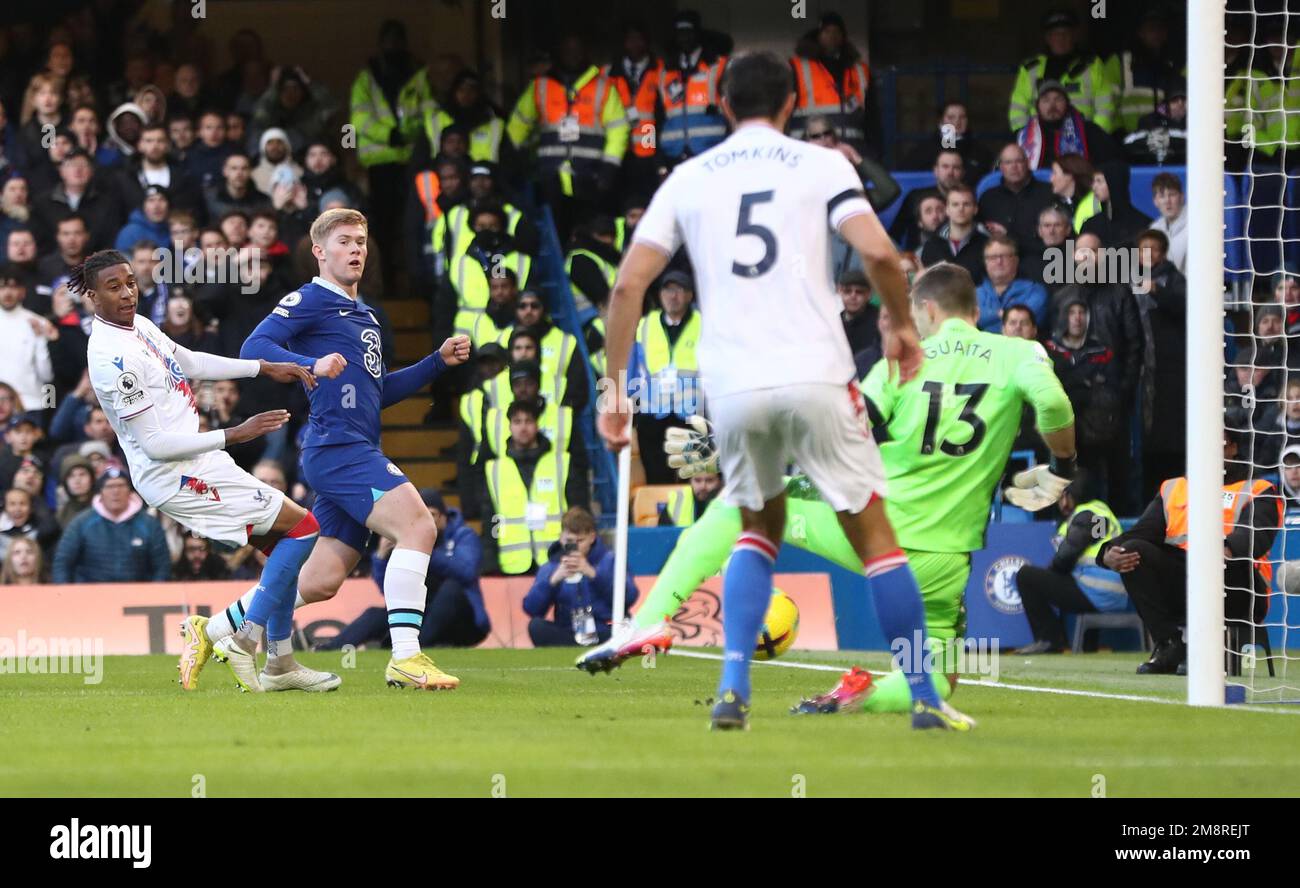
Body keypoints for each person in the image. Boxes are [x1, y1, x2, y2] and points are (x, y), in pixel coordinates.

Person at [596, 50, 975, 731]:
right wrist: (898, 327)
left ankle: (733, 689)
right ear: (793, 104)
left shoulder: (687, 176)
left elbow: (627, 286)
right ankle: (922, 695)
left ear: (720, 107)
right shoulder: (823, 163)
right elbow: (883, 255)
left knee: (756, 531)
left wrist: (614, 393)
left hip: (735, 386)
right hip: (818, 374)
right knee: (878, 540)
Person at [224, 208, 472, 690]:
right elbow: (255, 346)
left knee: (318, 582)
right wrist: (309, 362)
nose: (356, 249)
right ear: (320, 251)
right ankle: (406, 656)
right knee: (419, 526)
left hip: (352, 445)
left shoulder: (367, 316)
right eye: (343, 241)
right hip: (337, 447)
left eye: (361, 240)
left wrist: (436, 362)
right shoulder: (311, 299)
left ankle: (215, 628)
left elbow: (378, 392)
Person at [71, 248, 336, 694]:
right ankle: (231, 635)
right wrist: (236, 433)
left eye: (131, 282)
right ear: (93, 298)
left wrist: (261, 367)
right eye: (113, 287)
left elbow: (188, 361)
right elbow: (154, 445)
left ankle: (280, 663)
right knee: (304, 529)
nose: (127, 292)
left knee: (282, 553)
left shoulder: (138, 326)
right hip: (174, 473)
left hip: (197, 459)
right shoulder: (111, 358)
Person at [1097, 430, 1281, 675]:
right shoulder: (1174, 488)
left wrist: (1221, 549)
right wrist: (1107, 553)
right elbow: (1141, 532)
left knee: (1216, 560)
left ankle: (1213, 648)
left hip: (1240, 588)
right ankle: (1169, 644)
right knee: (1132, 551)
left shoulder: (1258, 489)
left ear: (1233, 448)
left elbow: (1256, 537)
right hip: (1185, 581)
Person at [322, 488, 490, 650]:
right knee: (374, 615)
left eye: (432, 515)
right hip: (425, 616)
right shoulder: (409, 540)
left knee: (451, 590)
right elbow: (389, 589)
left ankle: (414, 646)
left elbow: (466, 572)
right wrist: (381, 557)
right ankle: (329, 649)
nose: (428, 522)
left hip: (466, 622)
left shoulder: (463, 535)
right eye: (423, 516)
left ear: (444, 516)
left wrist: (424, 548)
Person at [1013, 473, 1124, 654]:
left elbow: (1067, 555)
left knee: (1026, 576)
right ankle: (1088, 646)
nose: (1060, 502)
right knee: (1066, 578)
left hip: (1094, 590)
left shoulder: (1084, 515)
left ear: (1071, 494)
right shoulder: (1101, 511)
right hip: (1115, 593)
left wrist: (1051, 572)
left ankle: (1049, 640)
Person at [524, 506, 638, 646]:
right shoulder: (552, 566)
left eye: (580, 541)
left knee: (625, 630)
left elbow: (630, 597)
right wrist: (552, 581)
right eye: (570, 541)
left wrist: (593, 574)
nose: (575, 547)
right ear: (561, 538)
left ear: (592, 537)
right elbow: (531, 609)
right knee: (536, 626)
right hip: (570, 633)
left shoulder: (610, 560)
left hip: (605, 630)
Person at [631, 269, 701, 484]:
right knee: (656, 473)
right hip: (653, 411)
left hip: (691, 411)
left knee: (694, 475)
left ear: (690, 295)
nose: (673, 296)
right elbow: (634, 367)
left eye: (679, 290)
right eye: (668, 290)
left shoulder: (703, 323)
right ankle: (663, 516)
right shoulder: (645, 324)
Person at [51, 467, 171, 583]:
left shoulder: (149, 524)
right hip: (91, 596)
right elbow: (62, 562)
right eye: (109, 486)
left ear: (129, 490)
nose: (115, 491)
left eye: (120, 486)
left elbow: (162, 566)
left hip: (137, 597)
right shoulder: (82, 523)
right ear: (101, 492)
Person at [1008, 9, 1115, 134]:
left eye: (1066, 33)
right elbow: (1017, 109)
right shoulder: (1030, 69)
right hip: (1039, 142)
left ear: (1074, 36)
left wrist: (1094, 136)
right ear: (1048, 38)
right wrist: (1026, 137)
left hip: (1083, 140)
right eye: (1055, 34)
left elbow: (1105, 107)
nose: (1061, 38)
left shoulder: (1092, 66)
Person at [1016, 81, 1118, 171]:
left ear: (1067, 104)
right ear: (1038, 106)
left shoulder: (1088, 130)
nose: (1052, 105)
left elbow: (1111, 162)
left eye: (1058, 99)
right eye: (1046, 100)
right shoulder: (1023, 135)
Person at [978, 143, 1054, 249]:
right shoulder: (988, 198)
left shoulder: (1049, 194)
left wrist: (1009, 235)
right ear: (1001, 167)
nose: (1014, 167)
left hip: (1039, 258)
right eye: (1008, 162)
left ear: (1027, 163)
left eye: (1018, 161)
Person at [974, 235, 1047, 332]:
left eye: (1004, 256)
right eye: (992, 257)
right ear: (985, 262)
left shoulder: (1035, 291)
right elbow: (972, 320)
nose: (999, 261)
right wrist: (1002, 315)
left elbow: (1026, 324)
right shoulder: (974, 294)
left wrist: (989, 317)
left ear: (1016, 260)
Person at [919, 185, 987, 283]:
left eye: (966, 204)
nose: (961, 209)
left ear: (975, 209)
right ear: (947, 209)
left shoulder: (987, 246)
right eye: (955, 204)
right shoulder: (931, 246)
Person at [1147, 172, 1187, 274]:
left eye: (1172, 194)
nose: (1167, 201)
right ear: (1155, 201)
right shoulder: (1154, 229)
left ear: (1181, 197)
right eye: (1162, 196)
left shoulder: (1197, 225)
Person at [837, 269, 879, 356]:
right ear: (840, 292)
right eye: (847, 291)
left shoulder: (879, 323)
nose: (853, 296)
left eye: (859, 292)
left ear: (869, 294)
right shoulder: (834, 321)